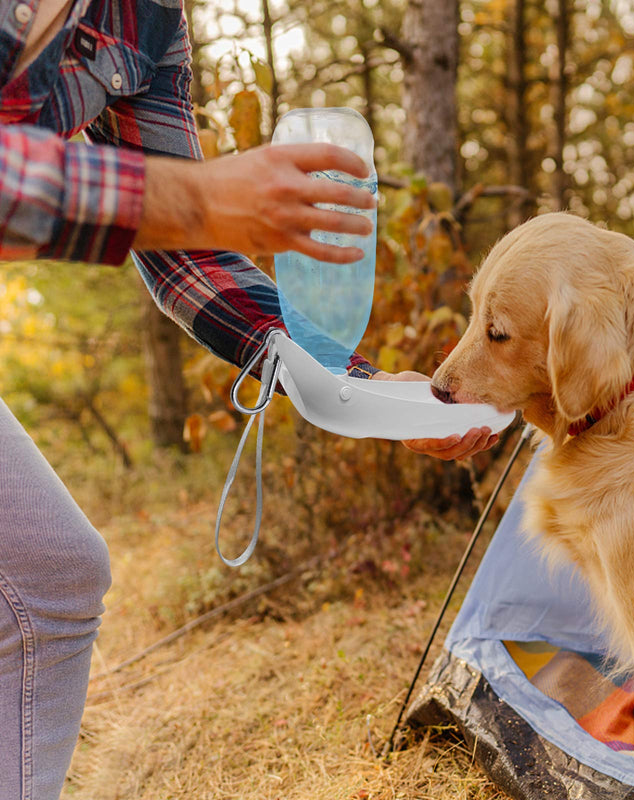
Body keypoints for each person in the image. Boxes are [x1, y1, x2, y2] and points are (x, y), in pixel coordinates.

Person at [0, 2, 499, 798]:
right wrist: (196, 197)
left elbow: (186, 257)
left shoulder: (149, 20)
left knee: (51, 580)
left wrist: (360, 388)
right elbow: (173, 206)